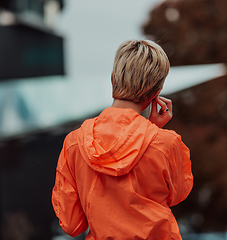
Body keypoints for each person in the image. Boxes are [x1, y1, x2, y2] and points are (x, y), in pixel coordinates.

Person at [51, 40, 193, 239]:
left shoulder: (74, 144)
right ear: (156, 93)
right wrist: (152, 131)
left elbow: (72, 224)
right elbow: (177, 195)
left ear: (112, 79)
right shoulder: (166, 144)